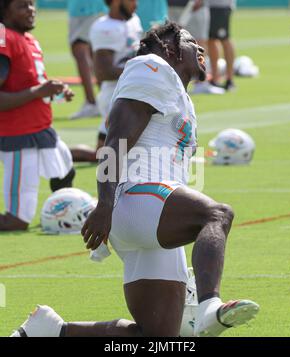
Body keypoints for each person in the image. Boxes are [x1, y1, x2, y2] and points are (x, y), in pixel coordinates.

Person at [11, 22, 259, 337]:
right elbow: (116, 140)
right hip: (136, 200)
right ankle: (210, 306)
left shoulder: (174, 88)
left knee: (158, 338)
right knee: (216, 214)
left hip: (152, 215)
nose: (200, 48)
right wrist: (104, 204)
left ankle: (51, 331)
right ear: (169, 47)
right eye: (191, 41)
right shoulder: (151, 67)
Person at [0, 0, 75, 231]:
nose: (31, 10)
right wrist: (40, 91)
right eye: (22, 6)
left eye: (32, 4)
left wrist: (55, 93)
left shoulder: (29, 40)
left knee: (65, 173)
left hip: (41, 129)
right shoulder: (4, 36)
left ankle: (64, 217)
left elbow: (30, 86)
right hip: (18, 135)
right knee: (17, 221)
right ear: (4, 10)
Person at [70, 0, 143, 163]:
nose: (136, 4)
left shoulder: (133, 20)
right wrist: (142, 70)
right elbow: (103, 72)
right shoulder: (104, 28)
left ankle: (57, 154)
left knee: (101, 155)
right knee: (123, 157)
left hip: (129, 93)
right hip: (116, 98)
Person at [168, 0, 224, 94]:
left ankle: (200, 82)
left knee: (198, 44)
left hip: (194, 6)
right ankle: (173, 84)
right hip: (173, 5)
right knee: (172, 43)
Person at [68, 0, 107, 119]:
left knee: (79, 48)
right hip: (95, 7)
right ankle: (104, 100)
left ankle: (92, 103)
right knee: (92, 51)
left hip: (85, 8)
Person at [207, 0, 236, 91]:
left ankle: (229, 79)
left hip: (221, 5)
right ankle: (215, 78)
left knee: (224, 38)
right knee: (211, 40)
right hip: (208, 5)